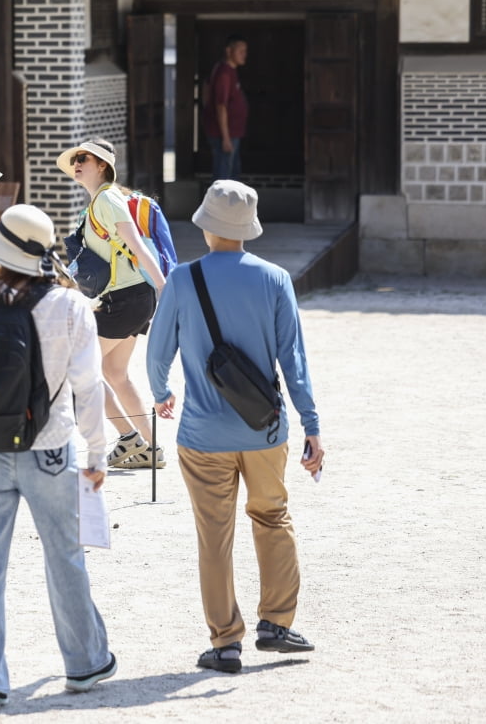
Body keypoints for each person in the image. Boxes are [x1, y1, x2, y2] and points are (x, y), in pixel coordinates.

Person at [145, 180, 325, 674]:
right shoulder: (275, 279)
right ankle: (277, 624)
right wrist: (311, 423)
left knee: (214, 537)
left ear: (206, 227)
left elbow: (158, 351)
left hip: (202, 437)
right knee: (273, 518)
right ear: (248, 229)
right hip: (265, 432)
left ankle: (225, 643)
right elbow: (294, 361)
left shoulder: (182, 280)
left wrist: (161, 393)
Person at [0, 204, 117, 711]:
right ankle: (84, 664)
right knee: (65, 555)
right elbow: (88, 387)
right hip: (49, 447)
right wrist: (98, 451)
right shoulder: (70, 307)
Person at [56, 140, 167, 470]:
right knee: (115, 373)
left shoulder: (107, 199)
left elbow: (137, 247)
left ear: (102, 165)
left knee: (77, 368)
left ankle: (129, 438)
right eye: (74, 159)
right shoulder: (97, 203)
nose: (77, 163)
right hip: (127, 299)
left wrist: (167, 291)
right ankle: (151, 448)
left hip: (126, 300)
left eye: (83, 158)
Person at [201, 35, 248, 181]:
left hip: (232, 132)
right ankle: (221, 204)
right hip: (224, 135)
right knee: (224, 176)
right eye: (240, 50)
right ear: (229, 51)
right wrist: (226, 137)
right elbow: (221, 105)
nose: (244, 54)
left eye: (245, 51)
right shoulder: (224, 74)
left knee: (232, 174)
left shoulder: (229, 72)